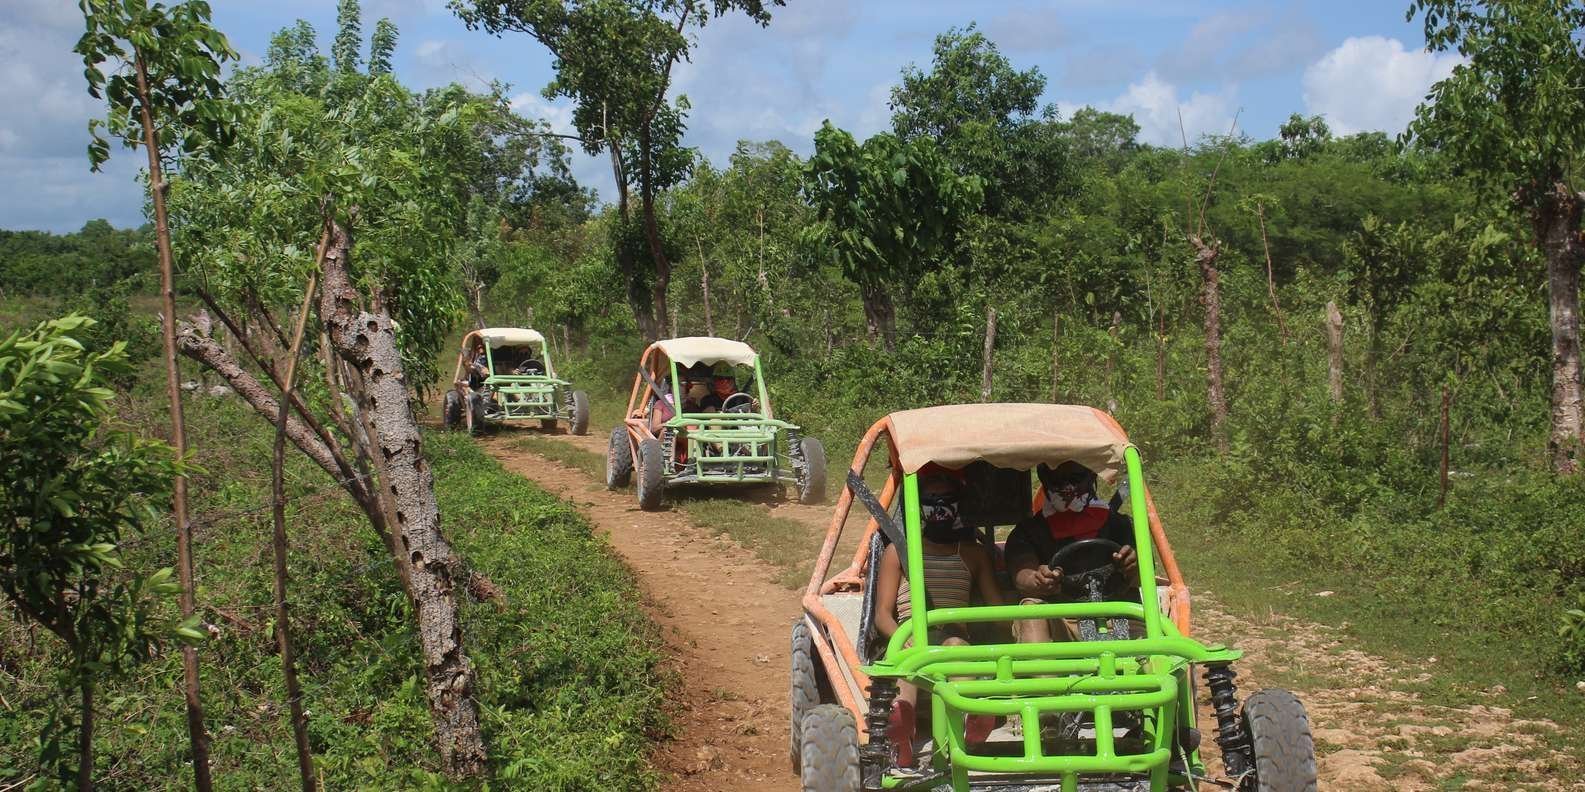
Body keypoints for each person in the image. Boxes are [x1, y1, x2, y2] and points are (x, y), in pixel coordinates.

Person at [872, 468, 1000, 768]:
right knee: (909, 664)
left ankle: (970, 721)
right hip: (909, 635)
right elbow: (881, 614)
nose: (940, 506)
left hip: (954, 636)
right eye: (932, 500)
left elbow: (997, 609)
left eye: (947, 499)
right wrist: (903, 639)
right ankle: (901, 730)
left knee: (955, 645)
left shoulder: (973, 554)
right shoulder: (898, 553)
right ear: (919, 505)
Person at [1005, 460, 1139, 644]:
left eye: (1075, 478)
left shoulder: (1119, 524)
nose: (1067, 487)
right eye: (1056, 481)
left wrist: (1133, 566)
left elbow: (1143, 578)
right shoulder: (1028, 531)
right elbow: (1022, 575)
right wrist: (1038, 580)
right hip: (1063, 620)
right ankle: (1044, 672)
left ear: (1091, 476)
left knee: (1154, 636)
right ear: (1045, 481)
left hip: (1119, 617)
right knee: (1030, 610)